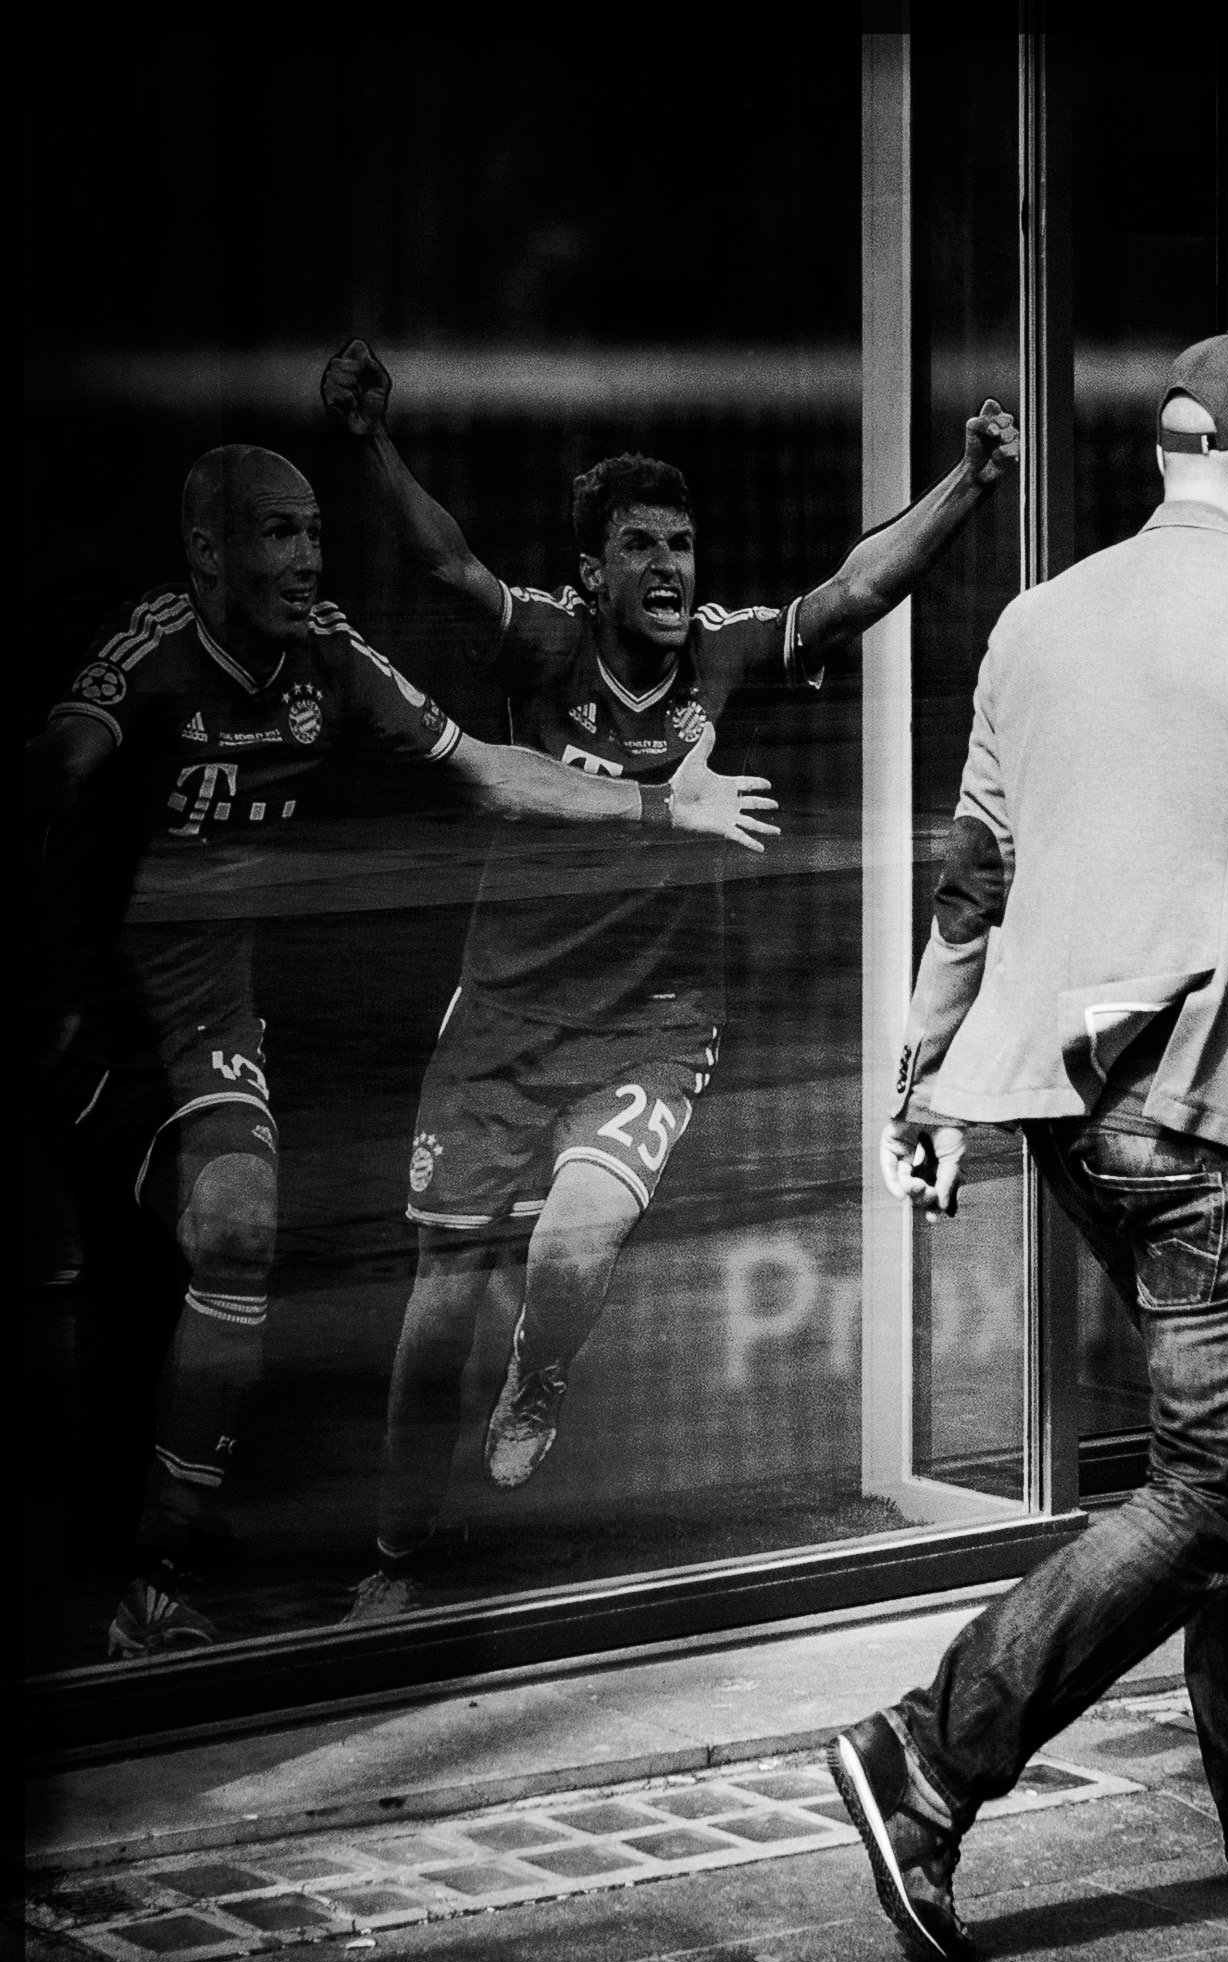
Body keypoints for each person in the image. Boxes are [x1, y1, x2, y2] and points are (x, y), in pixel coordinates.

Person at [830, 331, 1228, 1962]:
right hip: (1216, 1107)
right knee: (1223, 1484)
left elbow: (973, 876)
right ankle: (930, 1752)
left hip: (1072, 1116)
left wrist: (923, 1084)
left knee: (1223, 1461)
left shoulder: (1036, 621)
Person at [28, 444, 773, 1659]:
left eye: (315, 532)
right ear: (206, 551)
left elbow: (484, 771)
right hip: (82, 1015)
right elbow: (62, 758)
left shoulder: (331, 655)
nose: (306, 559)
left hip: (204, 1024)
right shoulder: (149, 653)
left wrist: (659, 803)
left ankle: (159, 1572)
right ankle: (126, 1556)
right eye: (276, 533)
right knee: (115, 1285)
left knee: (234, 1232)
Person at [317, 341, 1020, 1621]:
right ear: (591, 573)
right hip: (503, 1015)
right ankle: (395, 1556)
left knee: (573, 1233)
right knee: (436, 1307)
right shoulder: (544, 644)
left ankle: (541, 1371)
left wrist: (967, 482)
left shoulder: (719, 653)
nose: (668, 567)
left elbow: (855, 589)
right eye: (639, 545)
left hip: (652, 1022)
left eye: (681, 545)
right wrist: (368, 444)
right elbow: (443, 562)